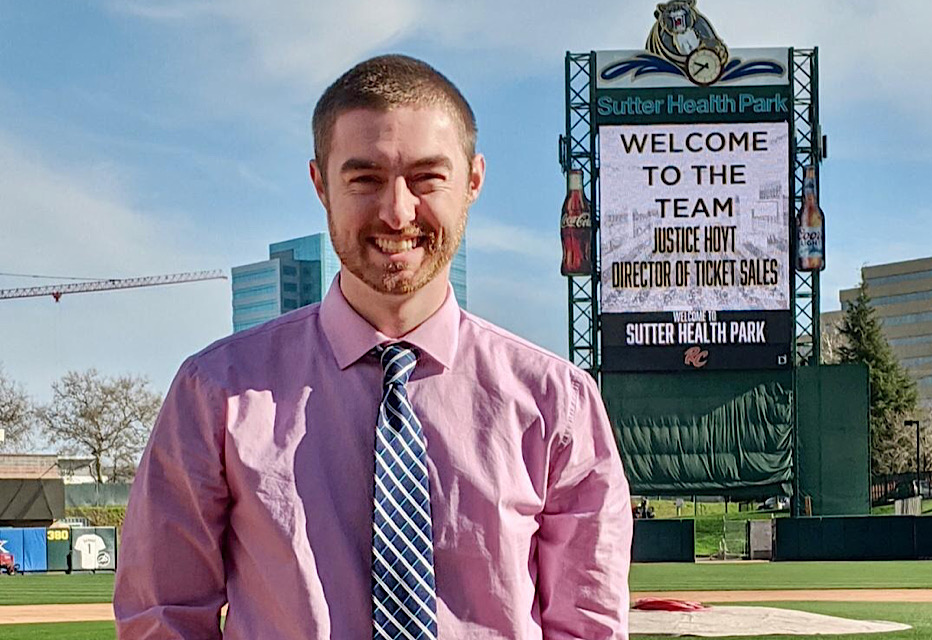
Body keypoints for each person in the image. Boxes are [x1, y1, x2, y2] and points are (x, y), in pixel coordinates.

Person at [114, 54, 631, 639]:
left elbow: (588, 626)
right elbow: (162, 615)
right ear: (320, 185)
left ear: (473, 182)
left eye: (427, 178)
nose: (396, 211)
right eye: (365, 179)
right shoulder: (216, 393)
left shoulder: (556, 403)